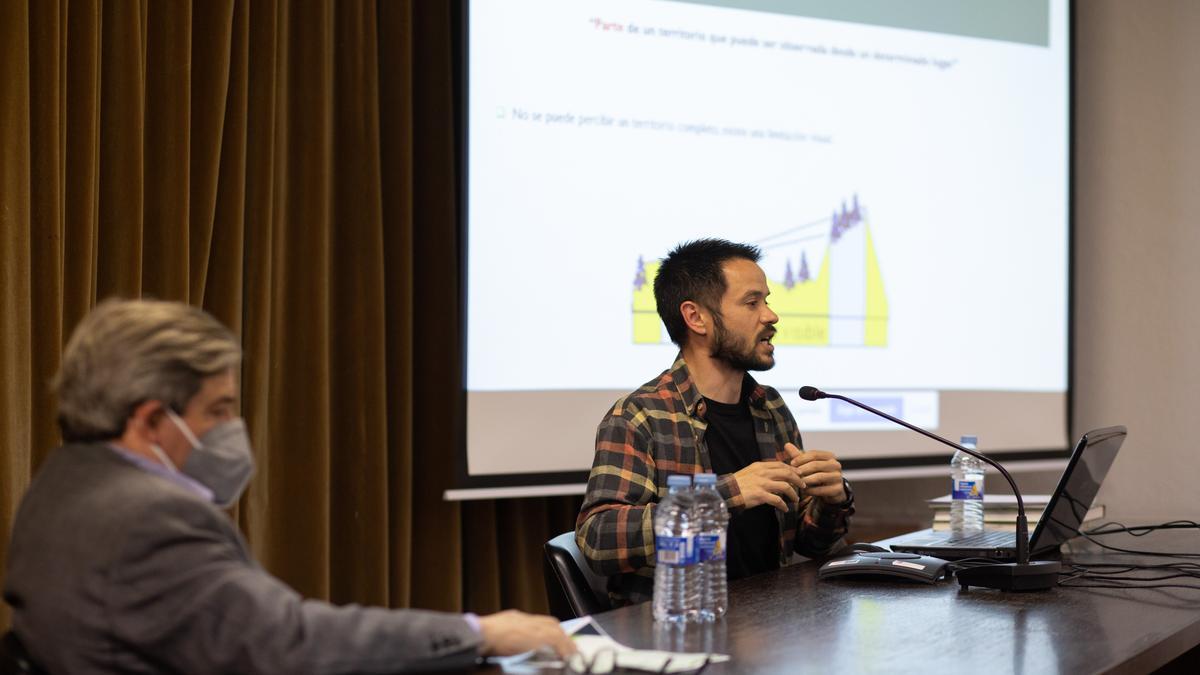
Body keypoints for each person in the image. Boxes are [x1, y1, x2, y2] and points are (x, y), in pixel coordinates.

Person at [2, 299, 574, 673]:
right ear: (151, 420)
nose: (232, 429)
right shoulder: (150, 518)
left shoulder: (62, 481)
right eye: (219, 410)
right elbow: (290, 643)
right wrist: (477, 631)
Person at [576, 239, 855, 604]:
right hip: (682, 630)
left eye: (767, 301)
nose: (771, 316)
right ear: (696, 318)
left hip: (773, 621)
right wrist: (726, 494)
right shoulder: (640, 416)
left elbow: (810, 544)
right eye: (752, 302)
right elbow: (599, 539)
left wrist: (830, 501)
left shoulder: (769, 407)